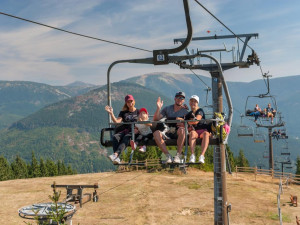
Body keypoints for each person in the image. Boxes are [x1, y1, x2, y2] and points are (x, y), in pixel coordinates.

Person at [153, 91, 189, 163]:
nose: (180, 99)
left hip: (178, 132)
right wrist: (158, 108)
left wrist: (183, 122)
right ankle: (167, 156)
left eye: (182, 98)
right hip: (167, 131)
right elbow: (156, 119)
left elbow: (189, 123)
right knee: (156, 133)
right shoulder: (167, 108)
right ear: (175, 98)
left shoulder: (185, 111)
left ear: (184, 100)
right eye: (178, 97)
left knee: (182, 130)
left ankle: (178, 155)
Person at [105, 94, 139, 164]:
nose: (130, 103)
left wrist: (138, 129)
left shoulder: (138, 112)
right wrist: (111, 114)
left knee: (126, 138)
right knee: (115, 137)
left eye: (131, 101)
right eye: (128, 102)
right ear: (126, 103)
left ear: (134, 101)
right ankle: (117, 158)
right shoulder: (123, 113)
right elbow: (117, 122)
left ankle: (116, 155)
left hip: (134, 131)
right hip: (125, 130)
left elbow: (143, 121)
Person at [178, 95, 210, 163]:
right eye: (191, 101)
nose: (193, 103)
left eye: (195, 101)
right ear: (189, 103)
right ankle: (192, 155)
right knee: (192, 133)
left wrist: (187, 122)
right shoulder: (189, 113)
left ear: (197, 103)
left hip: (202, 131)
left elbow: (196, 121)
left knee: (206, 134)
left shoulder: (200, 111)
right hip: (195, 131)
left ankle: (202, 156)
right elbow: (182, 121)